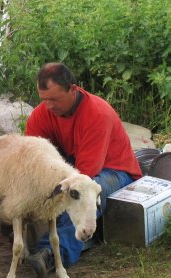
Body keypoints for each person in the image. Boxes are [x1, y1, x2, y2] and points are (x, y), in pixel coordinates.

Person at [23, 62, 142, 277]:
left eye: (54, 99)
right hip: (75, 165)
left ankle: (51, 253)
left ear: (73, 90)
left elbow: (84, 177)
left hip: (114, 171)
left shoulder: (97, 114)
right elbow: (31, 157)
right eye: (43, 99)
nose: (48, 106)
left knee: (80, 194)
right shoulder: (42, 113)